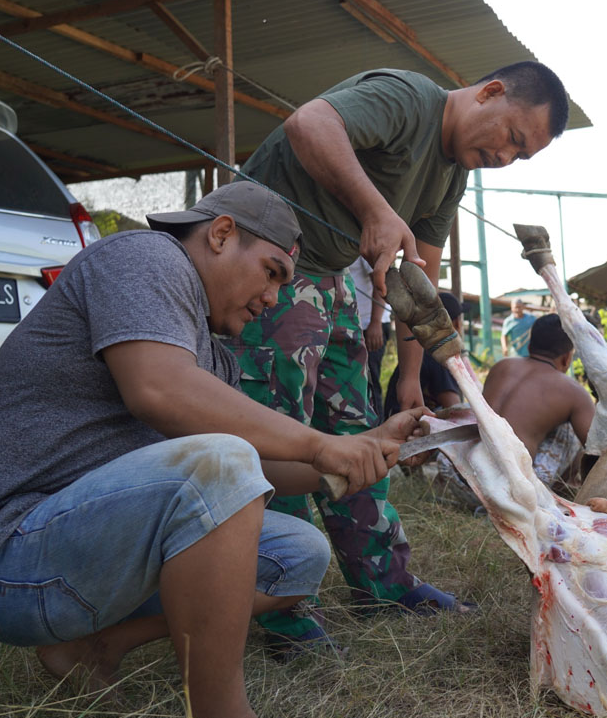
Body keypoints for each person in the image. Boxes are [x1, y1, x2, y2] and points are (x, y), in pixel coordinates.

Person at [0, 182, 424, 718]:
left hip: (80, 555)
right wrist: (319, 445)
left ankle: (95, 646)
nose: (272, 296)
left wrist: (354, 453)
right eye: (270, 272)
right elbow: (157, 390)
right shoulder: (143, 257)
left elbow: (256, 468)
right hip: (8, 560)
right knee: (218, 461)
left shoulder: (213, 358)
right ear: (219, 235)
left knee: (298, 553)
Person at [224, 61, 570, 632]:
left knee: (363, 437)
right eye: (512, 138)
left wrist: (411, 373)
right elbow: (308, 124)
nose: (506, 158)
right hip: (269, 273)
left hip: (328, 282)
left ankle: (384, 584)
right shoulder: (408, 98)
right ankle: (279, 607)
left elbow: (420, 277)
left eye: (521, 156)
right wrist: (375, 209)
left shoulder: (453, 172)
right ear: (490, 93)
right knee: (281, 439)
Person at [437, 314, 595, 504]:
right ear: (567, 357)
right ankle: (560, 490)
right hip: (511, 496)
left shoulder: (501, 366)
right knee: (569, 427)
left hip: (456, 476)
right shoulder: (574, 391)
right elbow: (596, 448)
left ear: (529, 346)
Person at [383, 291, 464, 417]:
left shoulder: (418, 355)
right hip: (407, 428)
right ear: (457, 323)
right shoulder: (438, 357)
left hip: (393, 421)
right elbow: (455, 409)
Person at [348, 257, 392, 424]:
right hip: (353, 324)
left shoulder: (364, 242)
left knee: (370, 386)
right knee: (355, 386)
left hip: (371, 325)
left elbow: (380, 282)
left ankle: (378, 434)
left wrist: (375, 323)